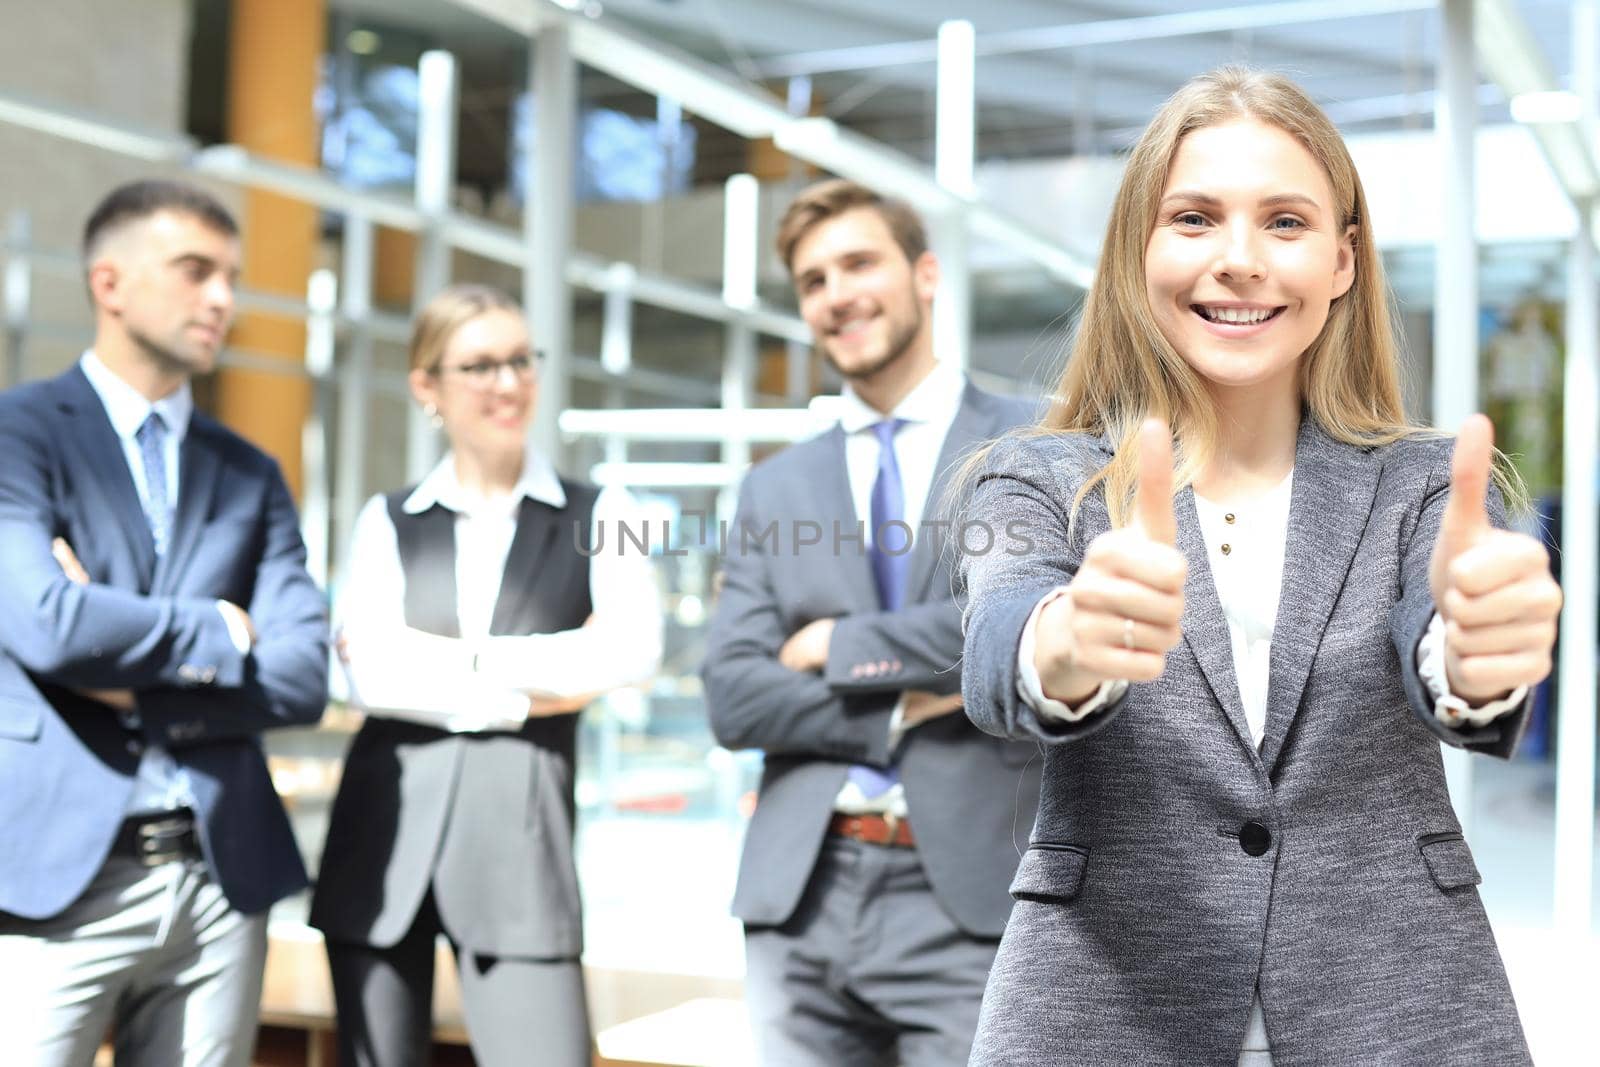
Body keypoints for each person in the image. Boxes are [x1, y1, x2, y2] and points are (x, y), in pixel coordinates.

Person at [957, 68, 1561, 1065]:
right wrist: (1066, 638)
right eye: (1193, 218)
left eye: (1284, 222)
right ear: (1135, 252)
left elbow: (1439, 635)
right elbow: (998, 637)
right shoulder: (1031, 477)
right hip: (1103, 1005)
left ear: (1341, 258)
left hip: (1395, 1005)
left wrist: (1473, 652)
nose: (1238, 260)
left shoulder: (1426, 486)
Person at [701, 179, 1041, 1066]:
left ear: (926, 274)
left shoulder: (1032, 444)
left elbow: (1019, 619)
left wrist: (839, 648)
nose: (836, 294)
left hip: (971, 896)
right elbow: (733, 694)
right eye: (814, 280)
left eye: (858, 262)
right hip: (799, 901)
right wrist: (905, 704)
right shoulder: (773, 488)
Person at [0, 180, 330, 1066]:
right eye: (195, 271)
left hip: (221, 879)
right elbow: (49, 624)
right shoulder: (17, 434)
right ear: (109, 283)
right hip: (53, 878)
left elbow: (303, 676)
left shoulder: (250, 473)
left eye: (230, 275)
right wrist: (223, 633)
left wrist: (121, 669)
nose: (223, 297)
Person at [309, 283, 663, 1067]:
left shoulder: (608, 510)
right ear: (426, 386)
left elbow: (632, 650)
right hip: (382, 840)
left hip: (521, 844)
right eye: (479, 365)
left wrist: (448, 659)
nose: (508, 382)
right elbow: (364, 677)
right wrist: (532, 680)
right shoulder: (386, 516)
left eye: (519, 359)